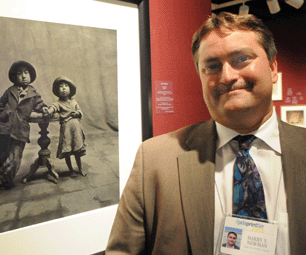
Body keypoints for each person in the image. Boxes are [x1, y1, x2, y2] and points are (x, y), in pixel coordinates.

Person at [106, 12, 306, 254]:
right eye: (212, 66)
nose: (228, 76)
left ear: (273, 68)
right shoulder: (155, 160)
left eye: (242, 59)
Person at [0, 60, 47, 190]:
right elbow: (0, 107)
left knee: (15, 157)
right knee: (4, 155)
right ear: (14, 77)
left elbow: (40, 104)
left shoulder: (34, 94)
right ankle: (5, 180)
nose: (23, 76)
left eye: (26, 72)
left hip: (20, 129)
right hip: (6, 127)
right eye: (19, 73)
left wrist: (44, 108)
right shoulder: (9, 91)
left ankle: (1, 176)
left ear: (30, 75)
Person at [45, 76, 87, 177]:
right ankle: (71, 170)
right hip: (66, 130)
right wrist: (49, 110)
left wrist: (77, 114)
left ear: (70, 89)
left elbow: (80, 112)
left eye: (66, 86)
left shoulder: (74, 102)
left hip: (76, 130)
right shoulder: (58, 103)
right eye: (61, 86)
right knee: (67, 150)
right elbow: (53, 107)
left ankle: (80, 168)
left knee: (77, 150)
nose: (64, 88)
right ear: (57, 90)